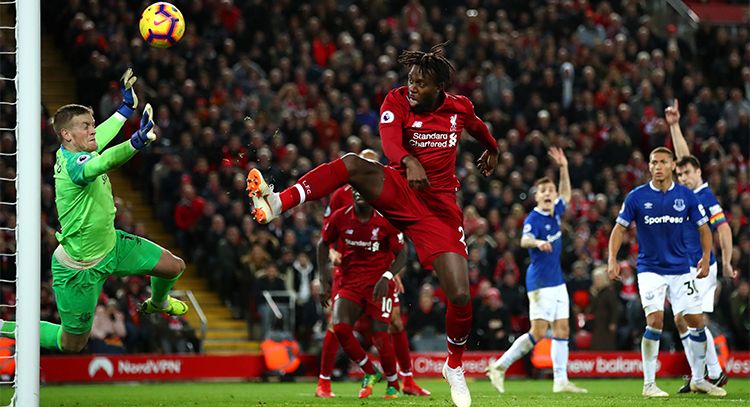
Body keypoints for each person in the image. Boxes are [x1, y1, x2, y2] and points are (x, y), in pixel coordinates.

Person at [247, 43, 498, 407]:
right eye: (410, 80)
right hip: (399, 188)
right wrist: (408, 160)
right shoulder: (395, 101)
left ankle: (453, 367)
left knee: (460, 294)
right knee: (352, 163)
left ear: (438, 88)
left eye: (420, 83)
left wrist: (492, 147)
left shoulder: (458, 108)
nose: (412, 87)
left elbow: (478, 127)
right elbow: (390, 143)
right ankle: (277, 201)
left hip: (438, 206)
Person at [0, 69, 187, 353]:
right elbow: (102, 164)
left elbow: (101, 137)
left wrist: (125, 110)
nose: (92, 130)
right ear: (66, 134)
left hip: (112, 246)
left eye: (92, 125)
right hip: (79, 268)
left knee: (174, 266)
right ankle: (3, 327)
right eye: (86, 126)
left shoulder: (78, 148)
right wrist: (134, 142)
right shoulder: (75, 167)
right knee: (72, 344)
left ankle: (159, 302)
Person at [607, 146, 726, 397]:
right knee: (655, 320)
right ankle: (649, 384)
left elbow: (705, 229)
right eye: (653, 162)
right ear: (649, 166)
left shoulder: (687, 196)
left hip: (682, 269)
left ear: (672, 165)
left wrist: (705, 258)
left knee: (697, 321)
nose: (657, 166)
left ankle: (699, 379)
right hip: (650, 270)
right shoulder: (636, 197)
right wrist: (612, 259)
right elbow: (619, 229)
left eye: (663, 162)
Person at [316, 150, 430, 398]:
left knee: (391, 325)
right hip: (347, 272)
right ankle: (325, 382)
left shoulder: (386, 194)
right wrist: (333, 255)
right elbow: (326, 237)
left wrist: (390, 273)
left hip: (381, 273)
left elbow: (400, 246)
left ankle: (402, 380)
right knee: (337, 325)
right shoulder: (340, 198)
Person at [486, 148, 587, 394]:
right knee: (539, 331)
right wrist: (538, 242)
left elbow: (566, 194)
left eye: (550, 191)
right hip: (540, 282)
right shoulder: (534, 217)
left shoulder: (555, 212)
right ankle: (500, 366)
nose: (548, 194)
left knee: (562, 329)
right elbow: (523, 240)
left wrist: (564, 167)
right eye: (543, 191)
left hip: (557, 281)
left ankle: (560, 381)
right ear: (537, 196)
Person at [666, 100, 735, 391]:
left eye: (687, 174)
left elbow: (724, 229)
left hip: (703, 267)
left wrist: (728, 262)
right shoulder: (686, 193)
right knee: (682, 319)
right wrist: (673, 125)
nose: (682, 177)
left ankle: (712, 372)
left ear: (699, 174)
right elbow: (683, 158)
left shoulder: (705, 197)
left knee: (692, 317)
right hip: (685, 265)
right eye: (679, 175)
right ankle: (699, 377)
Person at [318, 190, 406, 399]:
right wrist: (323, 282)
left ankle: (393, 382)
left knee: (380, 336)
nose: (359, 192)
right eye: (355, 189)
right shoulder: (340, 216)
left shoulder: (386, 220)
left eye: (363, 188)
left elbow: (402, 253)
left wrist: (387, 276)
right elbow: (322, 244)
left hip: (378, 285)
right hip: (350, 283)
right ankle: (370, 370)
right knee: (339, 327)